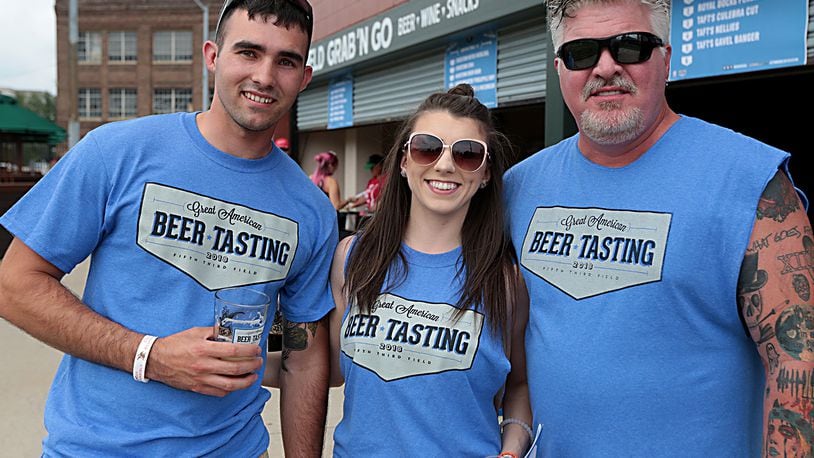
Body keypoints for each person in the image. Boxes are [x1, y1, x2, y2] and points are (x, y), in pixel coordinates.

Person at [0, 0, 334, 456]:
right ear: (212, 56)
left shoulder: (311, 210)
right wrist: (149, 356)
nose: (265, 76)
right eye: (248, 52)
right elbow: (13, 285)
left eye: (286, 61)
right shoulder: (116, 153)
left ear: (305, 77)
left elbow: (303, 353)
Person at [504, 0, 813, 456]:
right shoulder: (519, 187)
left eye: (631, 47)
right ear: (559, 68)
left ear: (666, 58)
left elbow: (797, 359)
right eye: (582, 52)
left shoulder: (752, 183)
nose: (606, 68)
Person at [327, 84, 532, 456]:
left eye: (468, 154)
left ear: (485, 174)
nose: (445, 164)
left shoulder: (504, 281)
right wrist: (243, 361)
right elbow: (328, 367)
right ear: (404, 162)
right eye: (427, 147)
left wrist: (511, 450)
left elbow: (518, 386)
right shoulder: (352, 259)